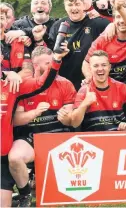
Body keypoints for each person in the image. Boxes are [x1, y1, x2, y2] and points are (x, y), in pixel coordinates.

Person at [7, 46, 75, 207]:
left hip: (58, 138)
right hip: (32, 137)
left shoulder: (65, 84)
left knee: (56, 202)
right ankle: (25, 195)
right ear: (35, 66)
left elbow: (71, 120)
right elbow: (16, 120)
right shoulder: (24, 86)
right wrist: (35, 113)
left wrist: (67, 117)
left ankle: (54, 192)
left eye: (53, 61)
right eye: (47, 63)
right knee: (15, 158)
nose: (53, 66)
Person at [71, 50, 126, 131]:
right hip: (93, 140)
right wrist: (85, 103)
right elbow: (74, 123)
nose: (100, 69)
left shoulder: (121, 87)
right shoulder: (84, 90)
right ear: (90, 68)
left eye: (104, 65)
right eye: (96, 66)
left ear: (109, 67)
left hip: (117, 139)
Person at [48, 0, 110, 90]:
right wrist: (58, 54)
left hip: (90, 83)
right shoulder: (57, 26)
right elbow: (50, 56)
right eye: (70, 5)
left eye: (77, 4)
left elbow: (120, 24)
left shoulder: (97, 23)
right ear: (65, 6)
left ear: (84, 5)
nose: (74, 8)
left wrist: (111, 25)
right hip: (65, 84)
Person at [83, 4, 126, 87]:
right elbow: (86, 63)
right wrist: (90, 79)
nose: (122, 20)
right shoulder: (103, 39)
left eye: (124, 17)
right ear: (114, 20)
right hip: (111, 89)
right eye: (118, 17)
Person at [0, 6, 33, 77]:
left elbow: (28, 71)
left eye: (1, 18)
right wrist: (8, 76)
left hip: (18, 86)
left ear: (6, 22)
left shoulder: (20, 42)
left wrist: (14, 78)